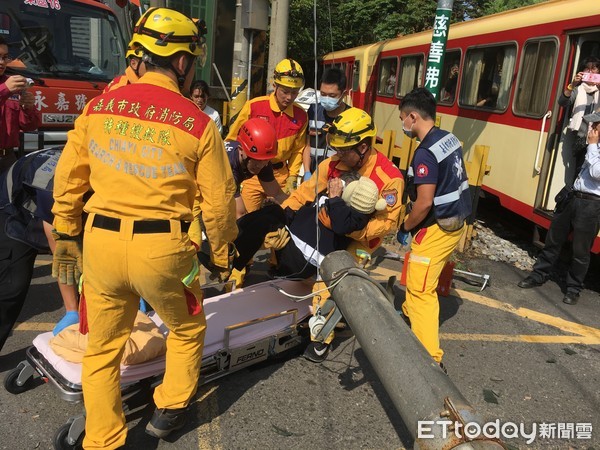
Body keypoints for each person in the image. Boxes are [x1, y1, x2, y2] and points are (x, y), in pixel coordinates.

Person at [51, 8, 238, 448]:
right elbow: (218, 202)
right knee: (188, 328)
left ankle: (103, 439)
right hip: (164, 250)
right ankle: (169, 408)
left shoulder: (100, 106)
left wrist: (64, 233)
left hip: (100, 244)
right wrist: (224, 255)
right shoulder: (197, 122)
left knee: (101, 349)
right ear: (180, 61)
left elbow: (69, 178)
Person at [284, 107, 404, 361]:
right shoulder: (333, 165)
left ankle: (320, 340)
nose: (338, 155)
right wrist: (279, 217)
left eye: (343, 150)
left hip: (361, 238)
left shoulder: (389, 178)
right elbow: (304, 193)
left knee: (333, 276)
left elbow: (387, 223)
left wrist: (351, 228)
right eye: (336, 149)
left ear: (362, 147)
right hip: (330, 225)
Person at [398, 87, 472, 367]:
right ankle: (410, 315)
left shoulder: (425, 153)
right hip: (456, 222)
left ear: (413, 117)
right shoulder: (448, 138)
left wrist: (405, 226)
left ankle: (430, 359)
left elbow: (424, 203)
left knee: (420, 290)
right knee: (424, 279)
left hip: (436, 229)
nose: (402, 124)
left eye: (403, 118)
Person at [0, 149, 80, 353]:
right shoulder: (56, 188)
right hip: (13, 212)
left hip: (42, 204)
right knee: (12, 285)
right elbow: (62, 254)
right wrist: (72, 310)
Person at [517, 111, 600, 306]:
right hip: (573, 196)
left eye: (596, 126)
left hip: (592, 203)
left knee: (581, 250)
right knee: (553, 239)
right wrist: (589, 144)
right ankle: (538, 274)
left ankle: (573, 288)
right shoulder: (591, 146)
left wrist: (593, 145)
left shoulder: (594, 147)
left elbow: (597, 173)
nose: (592, 129)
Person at [225, 58, 308, 212]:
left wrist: (292, 177)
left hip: (281, 175)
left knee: (284, 217)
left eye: (294, 92)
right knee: (246, 218)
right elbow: (233, 138)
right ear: (274, 85)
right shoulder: (254, 106)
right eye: (285, 91)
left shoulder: (301, 115)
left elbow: (298, 149)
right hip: (252, 174)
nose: (289, 97)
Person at [301, 67, 351, 182]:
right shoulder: (313, 111)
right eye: (323, 94)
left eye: (332, 96)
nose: (326, 99)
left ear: (343, 94)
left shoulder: (351, 116)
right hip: (312, 177)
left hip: (337, 179)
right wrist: (307, 171)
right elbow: (307, 146)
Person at [0, 35, 41, 172]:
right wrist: (5, 90)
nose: (2, 62)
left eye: (5, 57)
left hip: (8, 157)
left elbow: (30, 125)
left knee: (10, 193)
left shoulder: (13, 83)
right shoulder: (9, 86)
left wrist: (27, 108)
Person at [558, 56, 600, 180]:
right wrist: (572, 84)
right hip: (581, 139)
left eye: (594, 69)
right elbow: (562, 102)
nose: (591, 72)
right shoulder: (578, 89)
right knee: (580, 172)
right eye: (587, 69)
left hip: (598, 140)